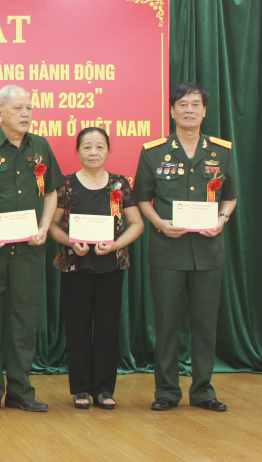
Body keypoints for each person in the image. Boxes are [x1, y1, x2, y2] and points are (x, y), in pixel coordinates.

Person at [133, 82, 237, 412]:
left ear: (204, 111)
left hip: (208, 253)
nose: (189, 109)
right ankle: (166, 391)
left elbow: (231, 197)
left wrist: (221, 218)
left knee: (205, 325)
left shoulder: (222, 151)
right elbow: (141, 198)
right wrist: (160, 224)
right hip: (168, 251)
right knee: (166, 325)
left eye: (195, 104)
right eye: (182, 104)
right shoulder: (153, 151)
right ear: (172, 111)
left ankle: (204, 391)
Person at [0, 85, 63, 414]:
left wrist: (45, 226)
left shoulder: (42, 147)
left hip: (29, 250)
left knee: (24, 320)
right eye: (18, 109)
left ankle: (21, 390)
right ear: (0, 113)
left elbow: (51, 193)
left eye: (29, 109)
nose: (26, 114)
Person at [48, 127, 144, 409]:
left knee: (107, 327)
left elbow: (136, 224)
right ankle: (79, 388)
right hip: (74, 263)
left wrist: (115, 244)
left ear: (107, 151)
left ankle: (104, 389)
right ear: (78, 151)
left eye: (100, 146)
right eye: (87, 146)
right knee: (77, 327)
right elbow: (51, 225)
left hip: (111, 264)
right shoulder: (65, 185)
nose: (93, 152)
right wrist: (70, 241)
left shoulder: (119, 184)